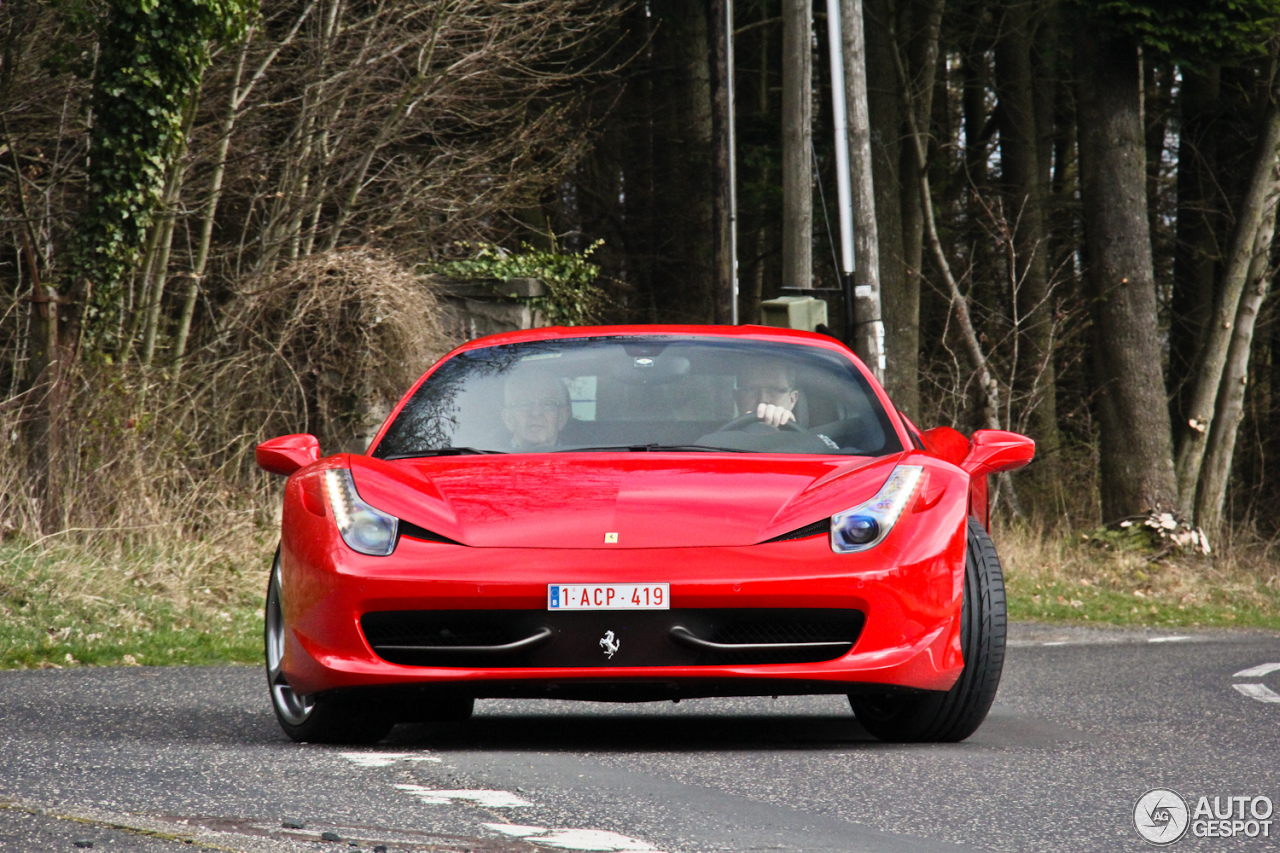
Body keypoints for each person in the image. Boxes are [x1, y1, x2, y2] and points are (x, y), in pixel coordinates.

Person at [501, 371, 572, 450]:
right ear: (508, 418)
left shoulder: (583, 455)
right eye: (524, 404)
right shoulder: (488, 456)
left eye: (547, 404)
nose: (536, 412)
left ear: (562, 417)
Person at [734, 361, 800, 428]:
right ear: (738, 398)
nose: (762, 400)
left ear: (792, 400)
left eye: (774, 390)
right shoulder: (724, 437)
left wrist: (791, 432)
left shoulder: (806, 438)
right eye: (752, 389)